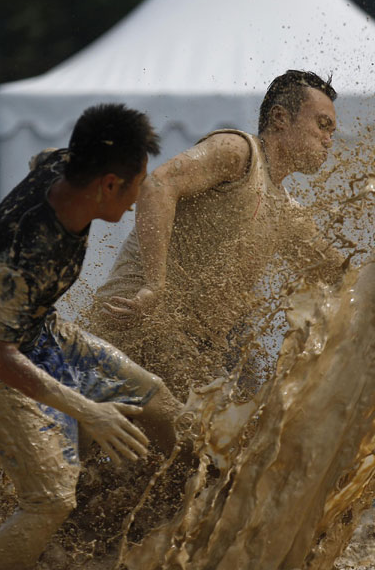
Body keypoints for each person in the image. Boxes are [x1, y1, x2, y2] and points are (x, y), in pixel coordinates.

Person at [0, 103, 183, 570]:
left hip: (41, 333)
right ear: (108, 184)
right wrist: (88, 410)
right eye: (135, 187)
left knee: (157, 397)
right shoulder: (22, 259)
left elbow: (41, 161)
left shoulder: (61, 163)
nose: (136, 203)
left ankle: (195, 511)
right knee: (51, 497)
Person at [90, 70, 345, 395]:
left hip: (188, 356)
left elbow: (340, 276)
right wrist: (155, 284)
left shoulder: (288, 212)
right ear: (280, 118)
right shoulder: (238, 151)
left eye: (332, 132)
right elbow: (157, 186)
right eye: (322, 125)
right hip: (135, 319)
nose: (328, 140)